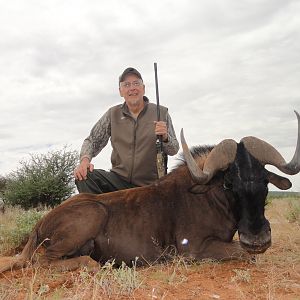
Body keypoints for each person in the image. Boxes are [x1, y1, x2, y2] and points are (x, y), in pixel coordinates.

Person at [74, 67, 179, 194]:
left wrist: (166, 137)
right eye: (127, 85)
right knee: (84, 176)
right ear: (121, 91)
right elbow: (92, 141)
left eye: (136, 83)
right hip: (118, 180)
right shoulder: (112, 114)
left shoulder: (161, 113)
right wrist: (85, 161)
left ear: (143, 88)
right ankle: (97, 214)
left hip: (149, 186)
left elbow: (174, 149)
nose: (132, 88)